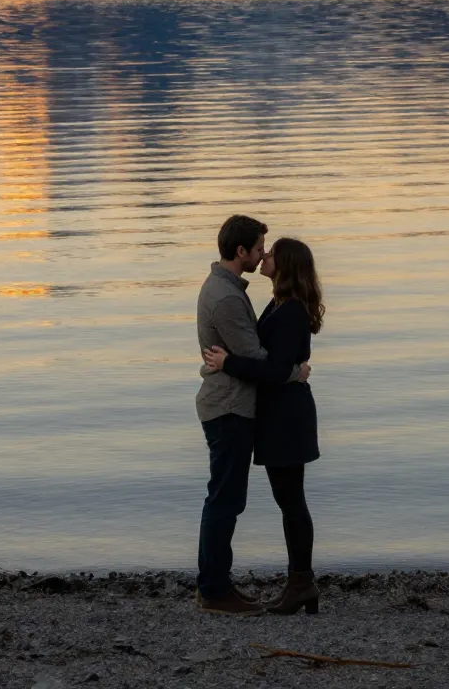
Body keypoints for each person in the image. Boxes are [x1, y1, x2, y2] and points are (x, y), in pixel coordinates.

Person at [202, 236, 323, 616]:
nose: (265, 255)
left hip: (287, 418)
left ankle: (301, 583)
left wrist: (229, 364)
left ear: (285, 265)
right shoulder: (280, 304)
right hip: (279, 415)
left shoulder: (290, 313)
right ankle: (299, 582)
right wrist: (292, 371)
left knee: (291, 502)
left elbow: (271, 369)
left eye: (271, 253)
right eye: (262, 250)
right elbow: (278, 366)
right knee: (288, 501)